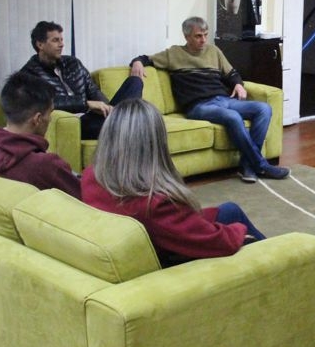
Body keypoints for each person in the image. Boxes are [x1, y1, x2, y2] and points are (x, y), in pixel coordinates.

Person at [82, 98, 265, 268]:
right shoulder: (154, 204)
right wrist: (240, 234)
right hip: (170, 258)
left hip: (152, 240)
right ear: (154, 144)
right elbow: (214, 241)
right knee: (246, 233)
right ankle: (282, 259)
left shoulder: (92, 175)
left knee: (230, 211)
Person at [129, 16, 289, 182]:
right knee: (233, 117)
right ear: (186, 37)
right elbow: (145, 58)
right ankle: (261, 166)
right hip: (198, 106)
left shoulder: (214, 51)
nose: (203, 40)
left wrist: (239, 84)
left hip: (224, 100)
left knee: (264, 109)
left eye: (205, 34)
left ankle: (247, 165)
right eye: (198, 36)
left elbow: (231, 73)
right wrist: (137, 63)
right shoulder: (174, 54)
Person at [20, 21, 142, 140]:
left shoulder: (73, 63)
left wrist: (106, 108)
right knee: (131, 123)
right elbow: (45, 104)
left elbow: (93, 90)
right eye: (55, 40)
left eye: (62, 40)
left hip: (94, 117)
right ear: (40, 44)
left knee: (135, 82)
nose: (61, 44)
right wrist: (86, 104)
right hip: (76, 124)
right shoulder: (29, 74)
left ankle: (123, 122)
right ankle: (129, 124)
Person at [0, 71, 81, 198]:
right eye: (50, 113)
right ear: (37, 119)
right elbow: (85, 197)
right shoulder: (46, 165)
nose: (50, 119)